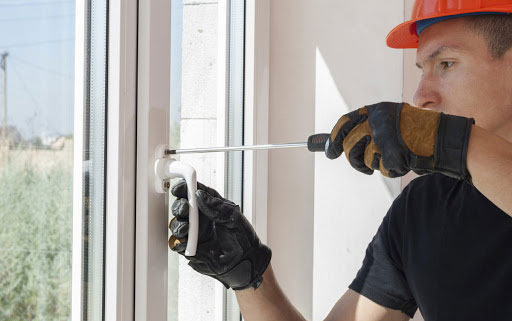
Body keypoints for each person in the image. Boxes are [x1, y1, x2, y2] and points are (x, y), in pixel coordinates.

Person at [168, 1, 512, 320]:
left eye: (446, 64)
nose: (421, 96)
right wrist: (249, 275)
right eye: (423, 69)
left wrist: (451, 142)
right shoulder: (423, 209)